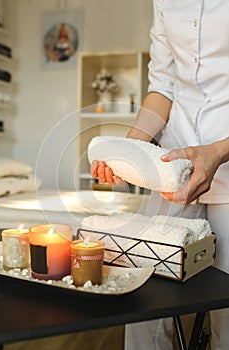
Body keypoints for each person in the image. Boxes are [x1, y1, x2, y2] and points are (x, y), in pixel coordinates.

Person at [90, 1, 229, 349]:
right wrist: (132, 148)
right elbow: (163, 85)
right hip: (175, 163)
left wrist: (218, 152)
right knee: (142, 290)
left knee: (227, 312)